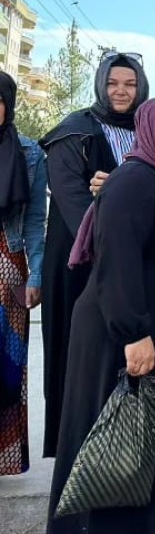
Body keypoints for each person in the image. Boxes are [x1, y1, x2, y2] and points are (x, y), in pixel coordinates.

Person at [45, 99, 155, 534]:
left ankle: (148, 528)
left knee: (149, 429)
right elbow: (117, 260)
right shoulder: (133, 181)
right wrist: (134, 332)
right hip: (123, 325)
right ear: (149, 131)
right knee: (116, 433)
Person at [38, 50, 148, 457]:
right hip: (80, 263)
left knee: (129, 353)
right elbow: (73, 204)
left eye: (130, 84)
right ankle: (77, 453)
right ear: (100, 85)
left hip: (135, 262)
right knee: (80, 356)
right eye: (113, 83)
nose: (121, 91)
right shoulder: (74, 133)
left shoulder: (149, 131)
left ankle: (126, 451)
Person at [0, 71, 47, 477]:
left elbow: (35, 222)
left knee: (7, 367)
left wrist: (36, 276)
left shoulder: (29, 154)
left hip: (9, 266)